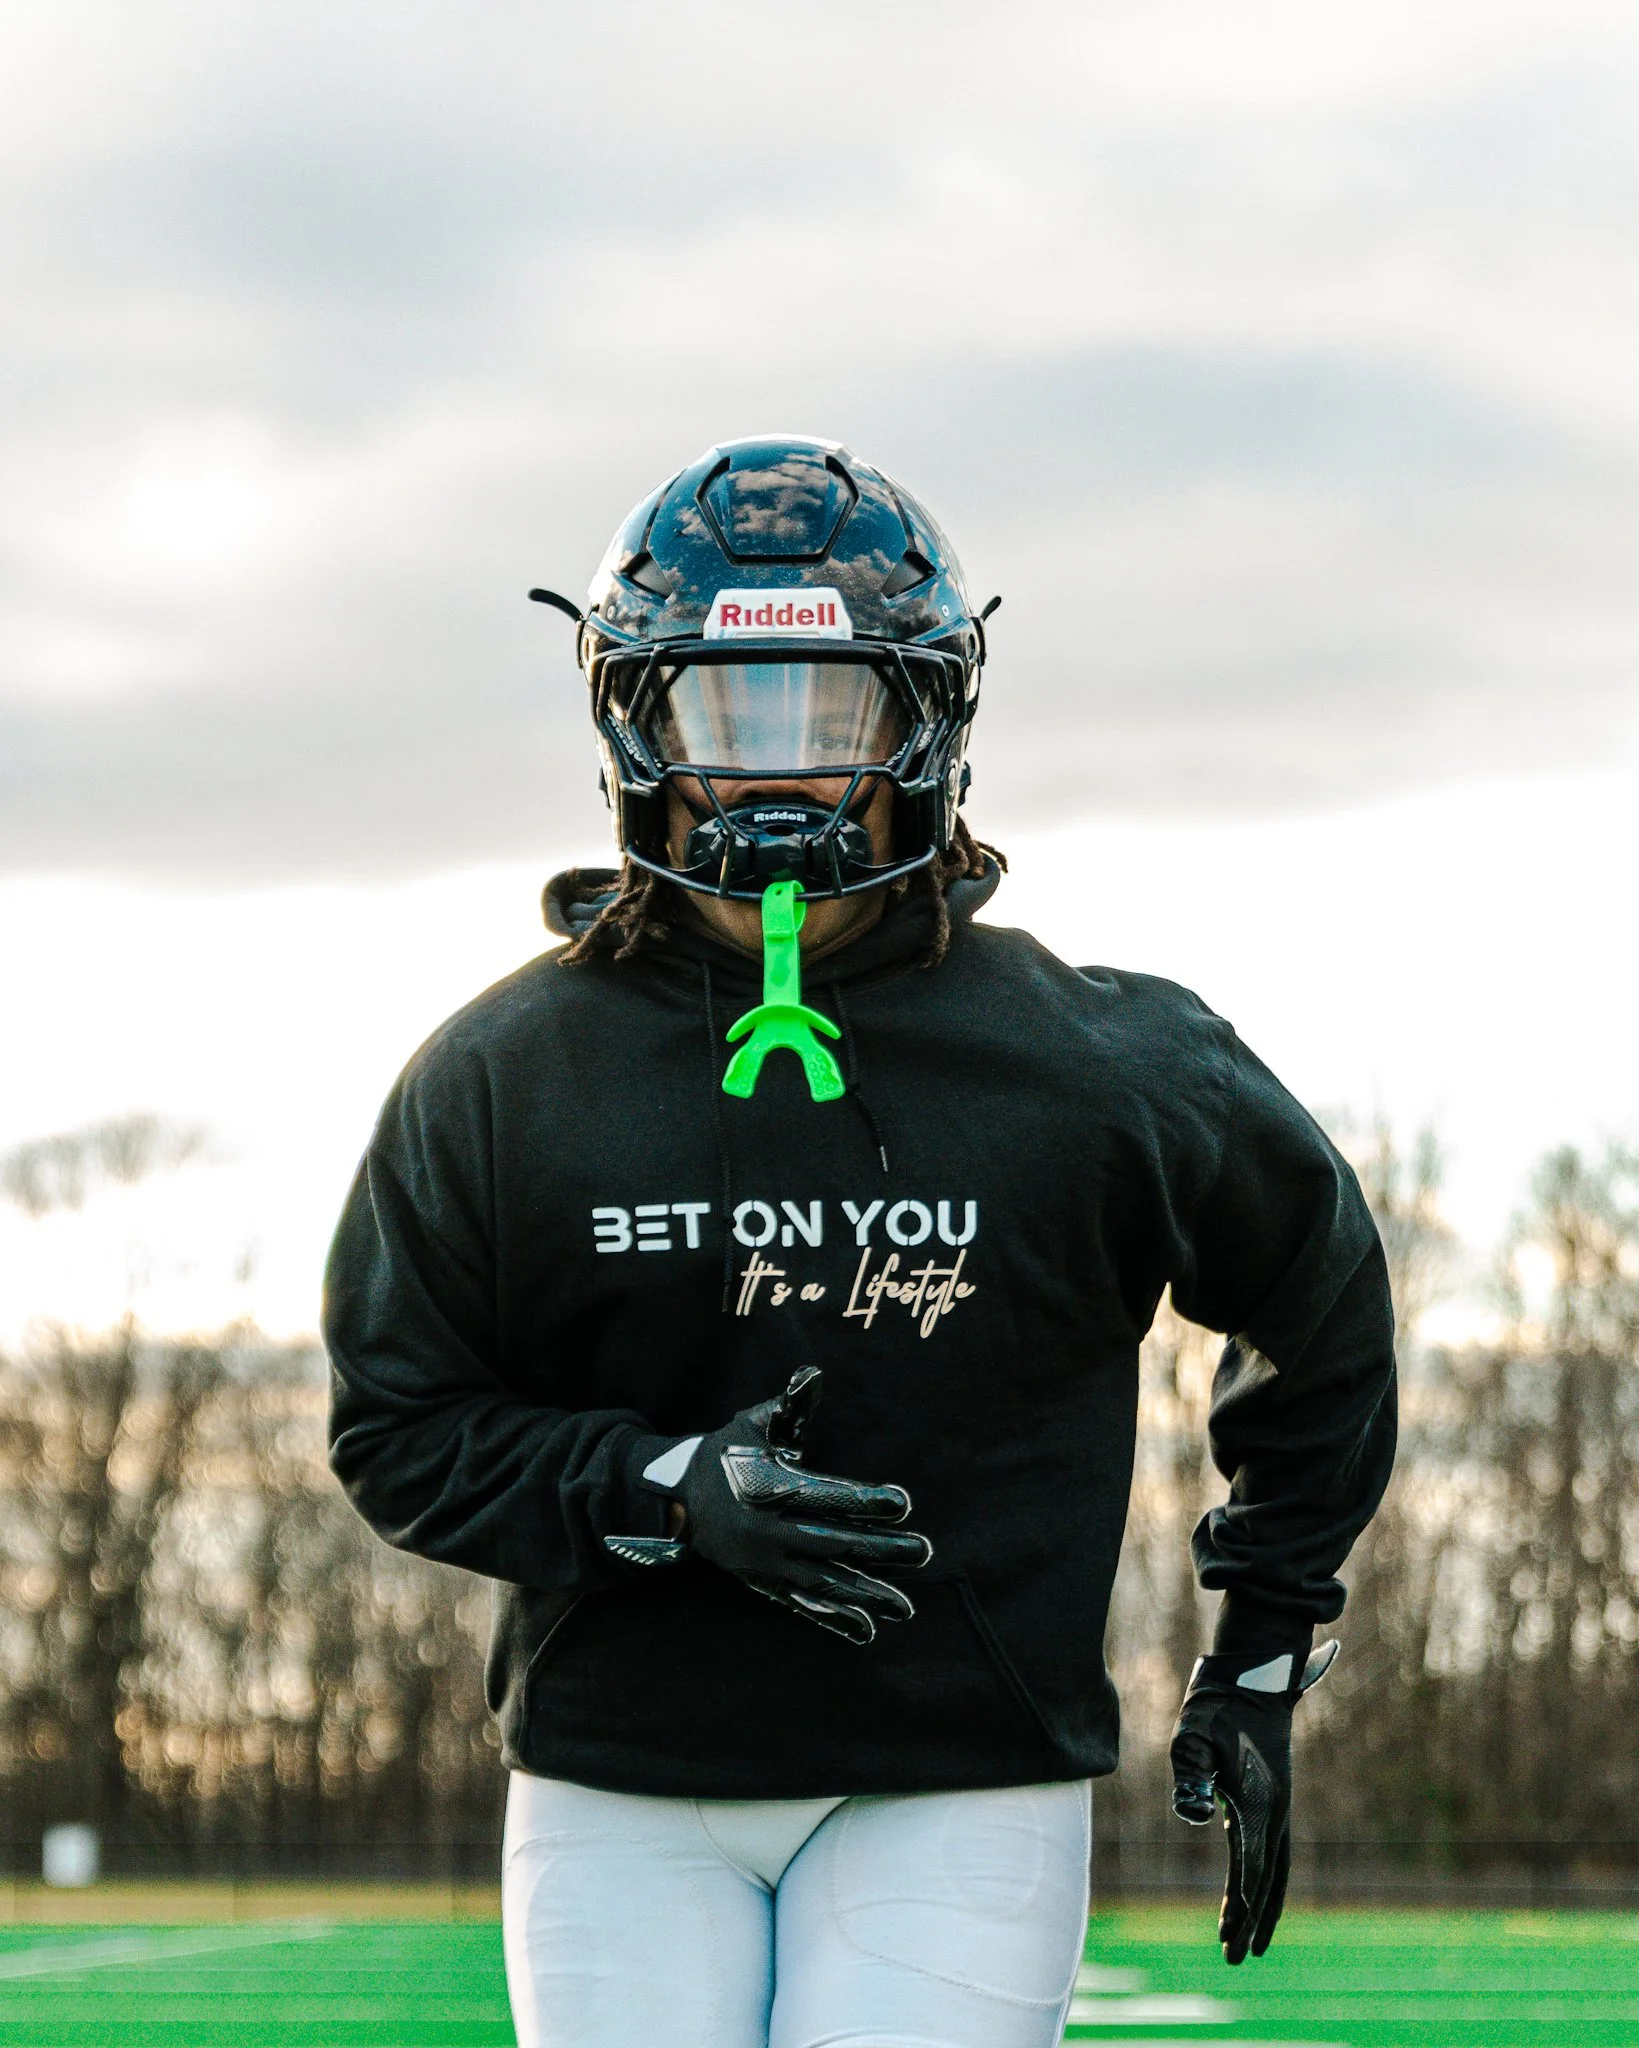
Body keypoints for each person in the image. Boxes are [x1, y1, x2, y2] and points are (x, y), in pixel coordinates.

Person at [324, 435, 1397, 2048]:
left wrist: (1259, 1643)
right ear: (635, 719)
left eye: (827, 714)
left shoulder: (1091, 1060)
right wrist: (660, 1490)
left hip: (957, 1780)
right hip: (621, 1782)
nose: (771, 771)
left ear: (922, 721)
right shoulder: (498, 1079)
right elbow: (393, 1427)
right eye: (719, 712)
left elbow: (1323, 1306)